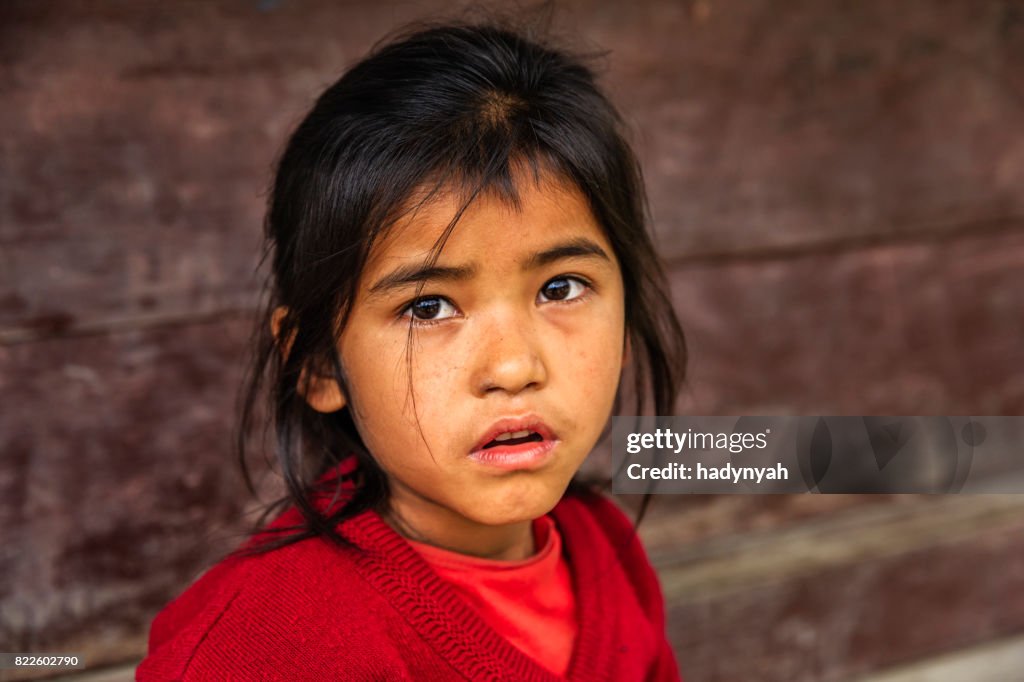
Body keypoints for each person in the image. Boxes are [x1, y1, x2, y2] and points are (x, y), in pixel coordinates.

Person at [137, 19, 687, 681]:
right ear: (316, 360)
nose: (514, 366)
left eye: (561, 288)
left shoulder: (607, 555)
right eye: (427, 307)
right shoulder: (267, 645)